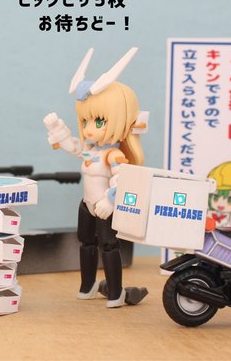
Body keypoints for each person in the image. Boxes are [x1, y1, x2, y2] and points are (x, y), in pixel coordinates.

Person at [44, 48, 148, 308]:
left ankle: (115, 292)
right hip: (87, 205)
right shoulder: (91, 150)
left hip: (103, 206)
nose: (89, 129)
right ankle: (87, 285)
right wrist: (58, 130)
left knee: (109, 246)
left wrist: (111, 200)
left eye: (98, 121)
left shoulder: (113, 154)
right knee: (86, 243)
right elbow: (74, 147)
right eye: (85, 121)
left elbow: (123, 180)